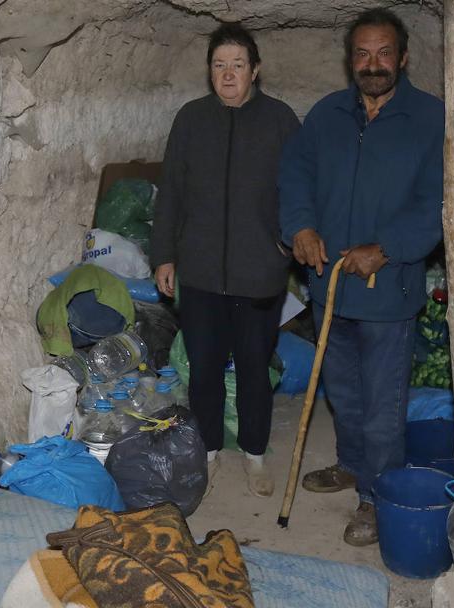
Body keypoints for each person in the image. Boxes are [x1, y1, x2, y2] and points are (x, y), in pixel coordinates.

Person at [278, 8, 445, 545]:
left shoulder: (429, 118)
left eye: (384, 53)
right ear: (350, 60)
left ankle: (377, 495)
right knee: (343, 396)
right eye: (362, 54)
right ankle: (352, 466)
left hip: (388, 294)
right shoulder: (327, 114)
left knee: (382, 409)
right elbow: (295, 176)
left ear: (403, 57)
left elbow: (438, 203)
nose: (373, 65)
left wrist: (389, 249)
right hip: (331, 287)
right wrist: (300, 227)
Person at [150, 23, 300, 498]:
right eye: (219, 65)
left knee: (256, 367)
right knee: (205, 367)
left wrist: (284, 243)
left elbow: (298, 191)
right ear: (209, 72)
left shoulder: (280, 120)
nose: (228, 74)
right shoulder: (191, 120)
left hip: (260, 272)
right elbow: (170, 192)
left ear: (255, 70)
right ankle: (209, 450)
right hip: (200, 271)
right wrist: (165, 255)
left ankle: (255, 455)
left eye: (238, 64)